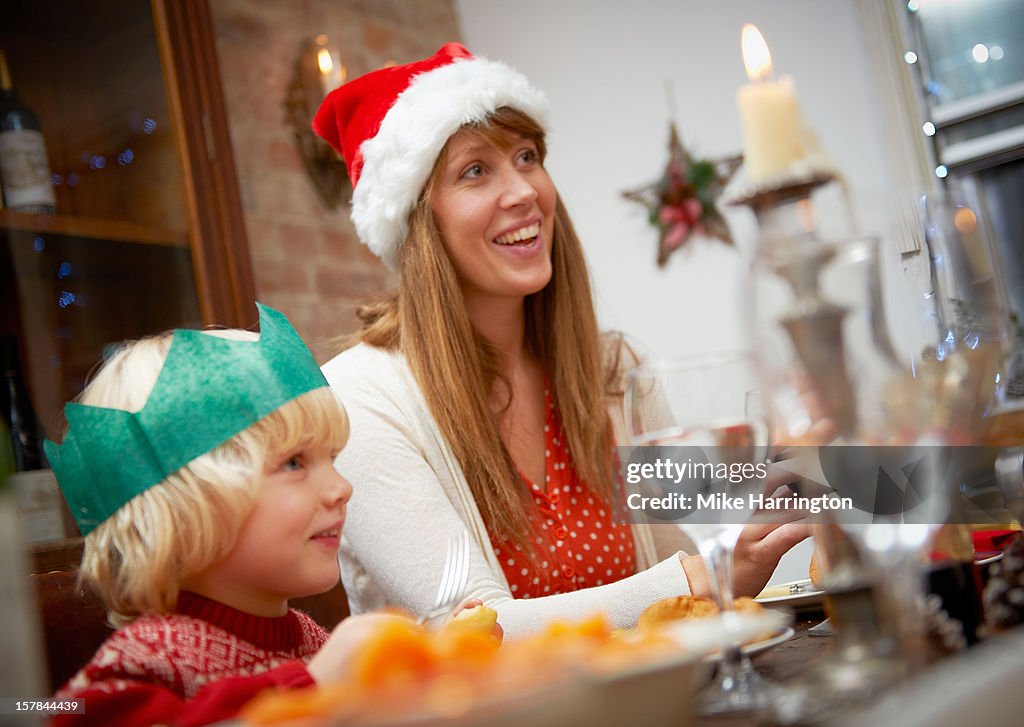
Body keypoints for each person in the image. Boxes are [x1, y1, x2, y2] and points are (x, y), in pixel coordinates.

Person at [313, 43, 808, 638]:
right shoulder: (358, 401)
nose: (523, 190)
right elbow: (475, 630)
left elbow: (704, 549)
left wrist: (799, 485)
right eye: (476, 170)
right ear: (419, 220)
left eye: (527, 156)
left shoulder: (617, 369)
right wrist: (698, 577)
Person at [45, 304, 405, 726]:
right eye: (293, 463)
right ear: (183, 506)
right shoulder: (145, 666)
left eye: (332, 458)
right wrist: (308, 688)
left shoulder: (309, 639)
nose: (341, 488)